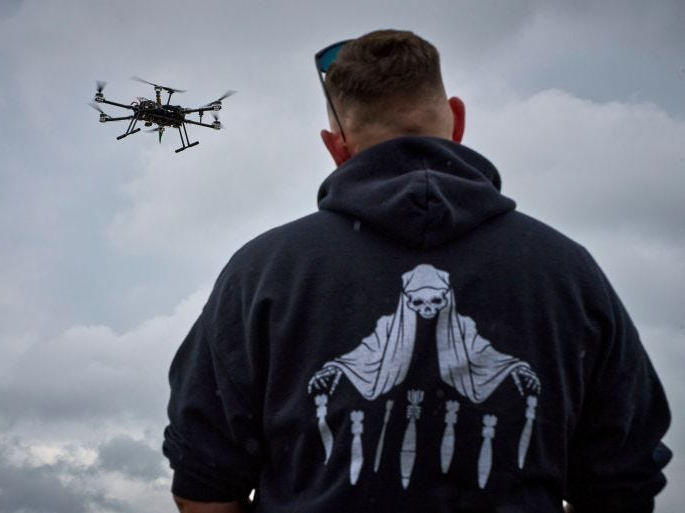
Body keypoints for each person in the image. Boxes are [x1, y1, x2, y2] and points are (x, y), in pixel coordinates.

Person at [163, 29, 672, 513]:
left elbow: (203, 479)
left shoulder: (262, 274)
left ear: (335, 146)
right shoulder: (570, 274)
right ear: (456, 120)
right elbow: (623, 480)